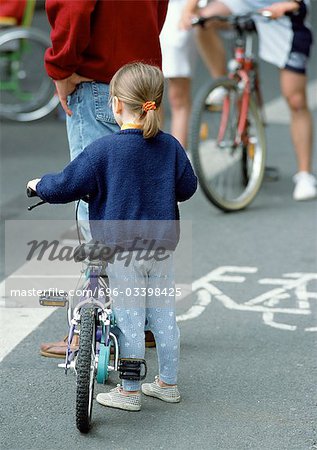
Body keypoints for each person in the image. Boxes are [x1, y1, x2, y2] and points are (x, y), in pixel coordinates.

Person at [28, 62, 197, 411]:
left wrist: (38, 186)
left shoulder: (104, 151)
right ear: (155, 104)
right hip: (162, 248)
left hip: (123, 252)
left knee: (131, 320)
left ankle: (131, 389)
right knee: (164, 318)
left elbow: (66, 185)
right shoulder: (170, 146)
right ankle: (167, 383)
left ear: (116, 105)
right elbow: (188, 187)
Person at [39, 0, 169, 358]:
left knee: (95, 208)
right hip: (140, 84)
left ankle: (92, 327)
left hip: (98, 81)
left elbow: (73, 8)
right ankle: (142, 323)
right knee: (139, 202)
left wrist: (61, 66)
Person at [180, 0, 316, 201]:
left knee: (295, 99)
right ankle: (224, 84)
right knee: (204, 21)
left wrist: (291, 4)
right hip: (244, 2)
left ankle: (304, 175)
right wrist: (189, 8)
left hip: (283, 9)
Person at [160, 0, 226, 148]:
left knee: (177, 95)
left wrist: (189, 8)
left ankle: (178, 160)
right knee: (150, 96)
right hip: (146, 11)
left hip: (178, 11)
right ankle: (153, 158)